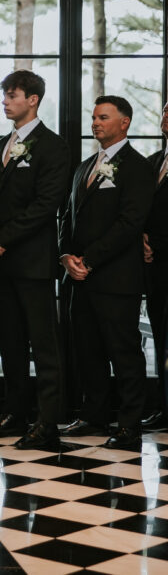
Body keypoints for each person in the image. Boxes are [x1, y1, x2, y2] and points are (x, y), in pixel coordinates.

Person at [0, 71, 69, 450]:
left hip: (33, 263)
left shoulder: (53, 147)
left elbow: (47, 205)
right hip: (0, 263)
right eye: (5, 95)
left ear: (33, 99)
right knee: (9, 343)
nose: (5, 101)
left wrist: (5, 237)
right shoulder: (0, 145)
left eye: (12, 95)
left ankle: (47, 423)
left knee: (43, 345)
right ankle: (14, 413)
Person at [60, 96, 154, 449]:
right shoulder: (85, 166)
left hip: (116, 279)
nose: (95, 123)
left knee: (124, 351)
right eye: (94, 117)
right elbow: (68, 216)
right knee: (87, 349)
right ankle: (93, 414)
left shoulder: (137, 167)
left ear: (124, 122)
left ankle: (130, 424)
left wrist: (90, 259)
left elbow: (130, 222)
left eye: (103, 117)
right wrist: (66, 255)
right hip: (80, 277)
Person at [142, 99, 168, 430]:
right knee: (161, 337)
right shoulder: (152, 162)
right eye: (164, 110)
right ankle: (164, 406)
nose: (166, 116)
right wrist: (142, 239)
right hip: (154, 268)